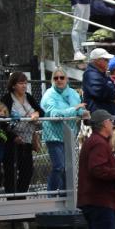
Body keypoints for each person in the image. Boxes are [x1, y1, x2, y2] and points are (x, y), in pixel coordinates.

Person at [40, 66, 84, 194]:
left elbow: (79, 110)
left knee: (68, 169)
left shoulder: (73, 94)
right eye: (56, 78)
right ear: (52, 80)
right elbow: (55, 115)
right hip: (53, 135)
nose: (59, 80)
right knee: (59, 166)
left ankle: (66, 195)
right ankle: (51, 194)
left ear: (67, 79)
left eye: (61, 77)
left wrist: (83, 112)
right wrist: (74, 109)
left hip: (69, 135)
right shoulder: (49, 95)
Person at [1, 71, 42, 192]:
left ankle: (21, 196)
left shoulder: (28, 96)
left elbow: (41, 111)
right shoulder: (6, 99)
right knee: (11, 173)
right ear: (13, 85)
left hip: (27, 141)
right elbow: (1, 122)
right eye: (20, 83)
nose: (24, 86)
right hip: (11, 142)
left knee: (27, 171)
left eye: (25, 83)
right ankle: (12, 198)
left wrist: (36, 113)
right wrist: (13, 137)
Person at [82, 47, 115, 118]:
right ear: (97, 61)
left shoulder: (103, 74)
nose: (108, 62)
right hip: (100, 119)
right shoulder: (90, 74)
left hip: (108, 117)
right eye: (106, 60)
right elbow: (101, 91)